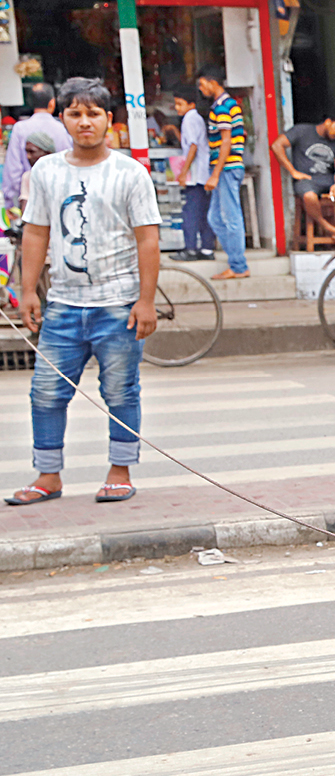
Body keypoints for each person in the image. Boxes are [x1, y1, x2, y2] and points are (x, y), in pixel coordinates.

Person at [5, 77, 159, 508]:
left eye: (93, 114)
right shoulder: (46, 171)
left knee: (120, 391)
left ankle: (120, 471)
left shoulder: (131, 173)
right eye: (75, 114)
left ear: (109, 119)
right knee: (46, 393)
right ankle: (48, 475)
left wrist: (146, 301)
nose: (84, 122)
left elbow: (148, 239)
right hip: (63, 305)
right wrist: (28, 291)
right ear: (63, 119)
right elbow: (36, 233)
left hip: (119, 304)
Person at [270, 115, 335, 245]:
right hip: (308, 180)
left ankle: (331, 222)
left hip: (328, 179)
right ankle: (327, 227)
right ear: (328, 122)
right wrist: (293, 171)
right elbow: (276, 145)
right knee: (309, 196)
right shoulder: (302, 131)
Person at [196, 66, 249, 280]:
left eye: (202, 84)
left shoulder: (223, 107)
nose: (201, 89)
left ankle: (238, 266)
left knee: (230, 217)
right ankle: (236, 260)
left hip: (226, 168)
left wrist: (215, 173)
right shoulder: (227, 105)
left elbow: (226, 142)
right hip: (226, 167)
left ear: (212, 82)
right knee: (215, 218)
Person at [2, 83, 69, 210]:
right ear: (52, 103)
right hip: (58, 198)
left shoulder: (20, 128)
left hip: (29, 200)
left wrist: (11, 201)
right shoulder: (61, 129)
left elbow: (13, 169)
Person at [170, 84, 214, 261]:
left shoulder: (189, 119)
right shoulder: (195, 118)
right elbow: (190, 143)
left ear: (191, 104)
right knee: (203, 212)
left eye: (180, 104)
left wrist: (183, 172)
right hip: (203, 174)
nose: (177, 108)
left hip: (196, 175)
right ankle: (207, 249)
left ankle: (190, 249)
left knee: (190, 212)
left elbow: (193, 147)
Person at [16, 129, 57, 208]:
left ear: (47, 153)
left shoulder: (61, 175)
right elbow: (26, 207)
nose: (28, 157)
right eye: (27, 152)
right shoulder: (28, 177)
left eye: (32, 152)